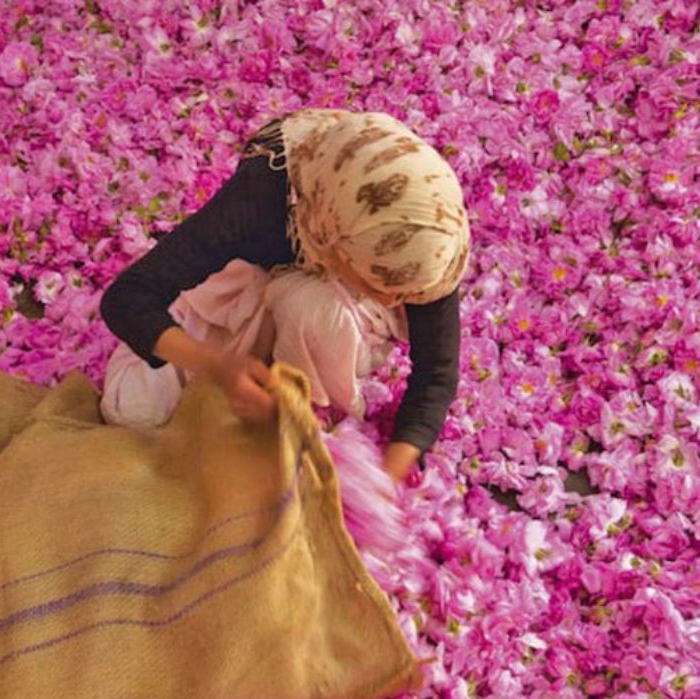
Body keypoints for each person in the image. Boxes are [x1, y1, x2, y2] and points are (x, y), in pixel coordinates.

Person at [98, 108, 470, 483]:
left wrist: (383, 484)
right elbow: (129, 298)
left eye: (402, 292)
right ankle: (266, 355)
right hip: (252, 277)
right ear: (337, 245)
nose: (393, 303)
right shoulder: (262, 200)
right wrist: (216, 366)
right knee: (134, 410)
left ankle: (309, 390)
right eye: (381, 287)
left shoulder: (426, 232)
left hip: (324, 306)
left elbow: (435, 373)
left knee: (313, 310)